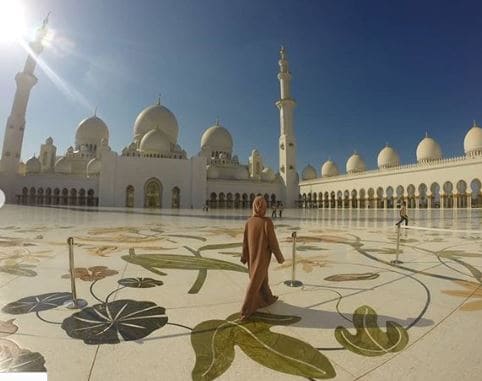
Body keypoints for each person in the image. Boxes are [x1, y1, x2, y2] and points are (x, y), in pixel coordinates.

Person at [240, 196, 285, 320]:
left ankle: (267, 298)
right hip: (262, 258)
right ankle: (246, 309)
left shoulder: (249, 222)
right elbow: (273, 242)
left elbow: (244, 242)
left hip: (251, 257)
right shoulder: (267, 222)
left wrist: (244, 256)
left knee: (263, 279)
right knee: (255, 281)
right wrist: (279, 257)